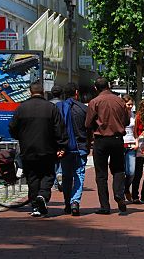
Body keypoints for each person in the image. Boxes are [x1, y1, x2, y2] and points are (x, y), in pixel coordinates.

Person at [9, 81, 68, 217]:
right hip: (47, 148)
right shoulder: (51, 108)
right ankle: (43, 196)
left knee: (32, 177)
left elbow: (12, 127)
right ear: (43, 93)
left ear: (30, 92)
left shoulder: (21, 108)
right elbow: (59, 129)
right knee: (48, 174)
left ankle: (35, 206)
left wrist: (21, 137)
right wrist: (62, 145)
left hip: (28, 149)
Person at [85, 77, 130, 215]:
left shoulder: (95, 102)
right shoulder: (120, 101)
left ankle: (105, 206)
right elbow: (127, 121)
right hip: (117, 139)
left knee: (101, 174)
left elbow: (87, 123)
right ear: (109, 86)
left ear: (95, 88)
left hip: (101, 140)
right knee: (118, 170)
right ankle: (119, 194)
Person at [57, 83, 90, 216]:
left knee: (66, 176)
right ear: (76, 93)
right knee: (79, 174)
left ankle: (66, 202)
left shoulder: (59, 108)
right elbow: (89, 128)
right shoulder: (83, 108)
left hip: (65, 147)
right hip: (80, 146)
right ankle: (75, 201)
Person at [122, 95, 138, 202]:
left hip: (131, 144)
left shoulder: (134, 116)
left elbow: (135, 131)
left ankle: (126, 188)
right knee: (121, 171)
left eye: (131, 104)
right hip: (121, 145)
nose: (130, 106)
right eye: (128, 104)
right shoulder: (119, 115)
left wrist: (136, 142)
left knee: (131, 172)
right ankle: (121, 191)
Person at [49, 85, 64, 192]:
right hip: (62, 133)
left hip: (50, 135)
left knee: (52, 158)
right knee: (61, 156)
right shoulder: (64, 105)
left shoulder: (48, 105)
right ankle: (60, 173)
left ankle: (54, 180)